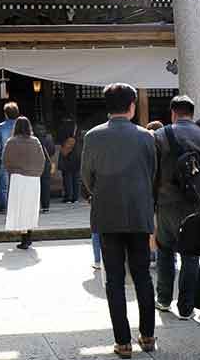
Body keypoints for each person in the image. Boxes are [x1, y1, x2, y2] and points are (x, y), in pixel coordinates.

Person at [82, 83, 157, 357]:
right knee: (142, 276)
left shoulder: (92, 136)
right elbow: (153, 174)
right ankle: (148, 335)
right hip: (138, 212)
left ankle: (122, 341)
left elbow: (87, 177)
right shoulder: (146, 137)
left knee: (113, 280)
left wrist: (102, 192)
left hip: (106, 214)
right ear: (132, 106)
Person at [153, 95, 200, 319]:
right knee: (190, 256)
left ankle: (164, 298)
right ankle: (187, 307)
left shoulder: (159, 136)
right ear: (192, 112)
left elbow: (153, 172)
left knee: (165, 251)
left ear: (173, 113)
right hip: (195, 205)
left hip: (167, 202)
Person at [3, 116, 45, 249]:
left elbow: (5, 159)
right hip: (33, 178)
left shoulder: (11, 141)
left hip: (18, 177)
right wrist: (37, 172)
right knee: (30, 207)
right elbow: (42, 159)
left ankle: (24, 239)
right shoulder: (35, 141)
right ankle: (29, 236)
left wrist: (12, 170)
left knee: (20, 207)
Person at [0, 102, 19, 214]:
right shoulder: (21, 125)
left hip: (4, 157)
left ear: (6, 114)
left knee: (3, 184)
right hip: (19, 158)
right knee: (18, 182)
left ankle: (3, 206)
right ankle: (17, 205)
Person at [34, 123, 55, 213]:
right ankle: (46, 206)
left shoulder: (33, 139)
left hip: (34, 164)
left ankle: (35, 206)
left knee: (35, 185)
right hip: (46, 163)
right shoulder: (48, 138)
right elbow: (52, 151)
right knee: (46, 185)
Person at [58, 134, 81, 204]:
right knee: (76, 181)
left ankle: (69, 197)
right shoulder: (79, 139)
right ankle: (75, 198)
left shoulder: (69, 140)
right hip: (77, 162)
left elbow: (64, 152)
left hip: (68, 162)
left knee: (68, 181)